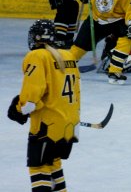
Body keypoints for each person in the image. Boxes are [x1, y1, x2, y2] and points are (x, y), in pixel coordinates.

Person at [7, 19, 80, 191]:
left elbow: (31, 100)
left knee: (39, 167)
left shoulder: (37, 56)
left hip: (46, 126)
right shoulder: (68, 55)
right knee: (53, 162)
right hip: (68, 125)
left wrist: (18, 109)